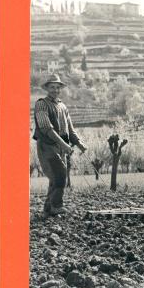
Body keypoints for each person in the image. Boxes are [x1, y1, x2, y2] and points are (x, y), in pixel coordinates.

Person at [33, 74, 87, 218]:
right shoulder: (41, 104)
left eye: (58, 87)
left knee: (55, 178)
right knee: (60, 174)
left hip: (61, 146)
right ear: (47, 88)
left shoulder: (63, 106)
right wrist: (64, 145)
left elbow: (70, 129)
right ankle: (56, 206)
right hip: (47, 145)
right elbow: (46, 129)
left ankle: (48, 209)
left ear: (60, 89)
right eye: (52, 87)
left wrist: (79, 143)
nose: (55, 90)